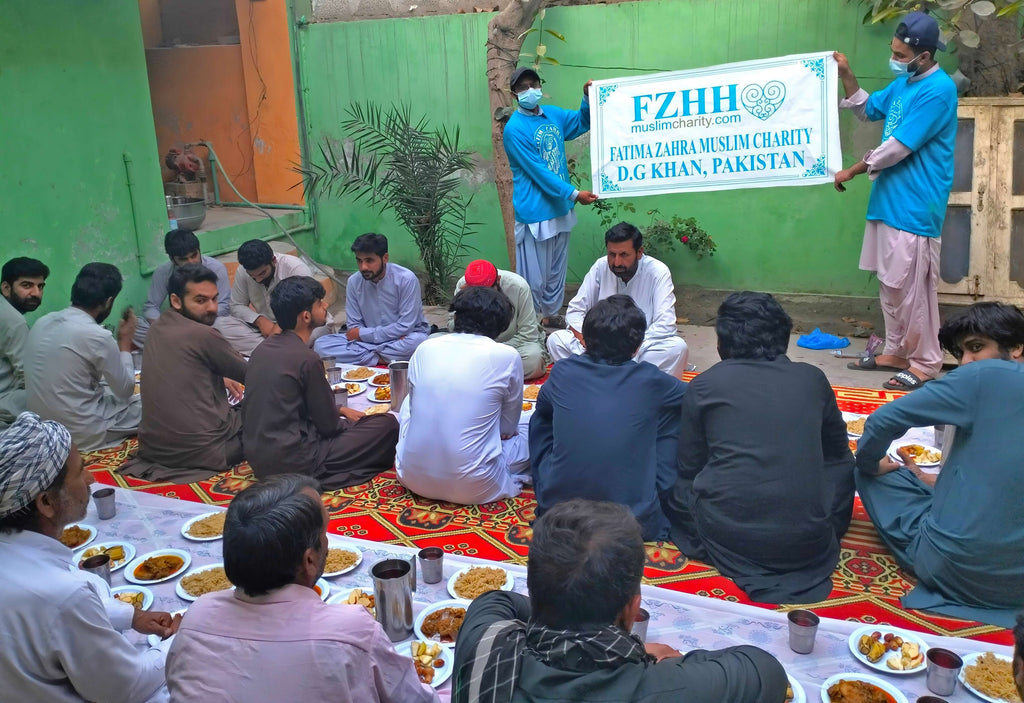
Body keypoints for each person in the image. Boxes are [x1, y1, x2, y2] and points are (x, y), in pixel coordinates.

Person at [452, 499, 787, 703]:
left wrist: (556, 609)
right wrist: (666, 660)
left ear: (534, 587)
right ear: (632, 607)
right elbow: (765, 670)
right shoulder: (664, 687)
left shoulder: (484, 642)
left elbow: (496, 600)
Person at [166, 474, 438, 702]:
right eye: (324, 533)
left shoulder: (196, 617)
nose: (328, 543)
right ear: (309, 560)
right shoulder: (352, 630)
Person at [663, 293, 855, 604]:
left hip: (730, 535)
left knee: (673, 485)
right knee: (844, 468)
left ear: (722, 343)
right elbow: (838, 455)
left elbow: (688, 466)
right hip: (807, 539)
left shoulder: (704, 385)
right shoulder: (813, 379)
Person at [855, 301, 1024, 627]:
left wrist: (869, 464)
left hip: (955, 570)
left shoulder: (982, 377)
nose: (966, 362)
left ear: (1017, 346)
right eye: (961, 353)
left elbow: (881, 422)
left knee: (871, 474)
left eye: (977, 348)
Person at [0, 412, 180, 702]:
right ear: (46, 502)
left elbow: (50, 618)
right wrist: (176, 641)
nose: (91, 478)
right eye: (81, 470)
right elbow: (126, 688)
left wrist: (131, 616)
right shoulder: (64, 593)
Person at [835, 11, 958, 392]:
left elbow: (898, 148)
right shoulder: (904, 83)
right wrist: (846, 73)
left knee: (912, 289)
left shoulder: (939, 90)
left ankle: (925, 362)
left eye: (901, 55)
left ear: (924, 55)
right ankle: (897, 351)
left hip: (916, 204)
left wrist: (852, 170)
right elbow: (866, 108)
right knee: (890, 285)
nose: (894, 59)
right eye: (894, 51)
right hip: (888, 200)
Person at [530, 296, 686, 541]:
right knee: (673, 415)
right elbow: (694, 398)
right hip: (633, 519)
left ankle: (555, 484)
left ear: (584, 339)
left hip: (558, 510)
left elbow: (543, 410)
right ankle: (657, 492)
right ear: (637, 346)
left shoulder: (562, 371)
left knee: (541, 419)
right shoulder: (652, 380)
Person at [243, 276, 400, 489]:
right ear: (306, 316)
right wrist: (351, 423)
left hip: (258, 459)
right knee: (387, 425)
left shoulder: (260, 351)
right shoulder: (306, 358)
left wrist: (340, 409)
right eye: (319, 303)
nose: (325, 306)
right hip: (295, 460)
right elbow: (329, 426)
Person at [396, 286, 529, 504]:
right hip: (477, 486)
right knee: (532, 425)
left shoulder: (425, 347)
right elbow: (507, 429)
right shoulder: (507, 355)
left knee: (407, 403)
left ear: (456, 317)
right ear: (501, 325)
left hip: (410, 476)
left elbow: (413, 410)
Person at [120, 264, 248, 483]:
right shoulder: (204, 334)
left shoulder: (156, 328)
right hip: (207, 452)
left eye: (214, 299)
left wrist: (221, 375)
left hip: (154, 450)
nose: (212, 308)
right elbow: (255, 375)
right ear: (176, 301)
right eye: (201, 300)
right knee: (269, 406)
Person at [504, 66, 598, 327]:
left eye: (533, 84)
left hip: (560, 207)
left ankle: (550, 315)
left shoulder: (553, 115)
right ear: (514, 94)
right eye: (523, 87)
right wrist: (574, 194)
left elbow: (581, 122)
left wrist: (587, 97)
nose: (530, 90)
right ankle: (529, 323)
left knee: (556, 271)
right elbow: (538, 172)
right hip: (535, 212)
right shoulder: (514, 129)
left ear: (540, 87)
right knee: (533, 278)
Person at [24, 263, 140, 452]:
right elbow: (126, 390)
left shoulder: (42, 321)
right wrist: (124, 343)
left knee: (104, 386)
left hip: (44, 429)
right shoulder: (98, 335)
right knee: (151, 403)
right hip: (82, 433)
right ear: (108, 302)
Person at [547, 222, 688, 375]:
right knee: (556, 340)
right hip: (600, 348)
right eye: (612, 255)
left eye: (624, 255)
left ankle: (598, 377)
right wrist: (588, 340)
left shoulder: (658, 271)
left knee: (677, 348)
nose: (617, 262)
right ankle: (624, 378)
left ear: (639, 253)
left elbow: (665, 324)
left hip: (638, 349)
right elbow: (575, 311)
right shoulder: (601, 266)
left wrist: (629, 347)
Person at [314, 233, 429, 365]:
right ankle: (382, 358)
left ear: (385, 258)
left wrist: (362, 335)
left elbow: (405, 326)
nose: (363, 267)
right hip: (373, 342)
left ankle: (367, 357)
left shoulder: (406, 279)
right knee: (321, 345)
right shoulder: (354, 282)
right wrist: (366, 336)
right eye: (359, 261)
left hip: (401, 338)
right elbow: (353, 326)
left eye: (369, 261)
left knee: (418, 342)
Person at [220, 239, 321, 356]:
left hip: (297, 326)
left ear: (273, 260)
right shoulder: (243, 271)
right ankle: (282, 352)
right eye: (252, 276)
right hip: (265, 330)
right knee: (221, 325)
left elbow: (305, 306)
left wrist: (277, 329)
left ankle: (269, 352)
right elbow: (236, 305)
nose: (258, 280)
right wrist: (259, 320)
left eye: (262, 273)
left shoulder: (294, 268)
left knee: (318, 334)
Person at [134, 229, 233, 348]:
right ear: (172, 259)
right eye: (183, 259)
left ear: (199, 251)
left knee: (223, 325)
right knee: (134, 325)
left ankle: (173, 347)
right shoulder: (163, 272)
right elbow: (151, 306)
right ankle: (183, 346)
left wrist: (195, 322)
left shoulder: (216, 268)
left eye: (194, 255)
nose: (191, 262)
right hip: (175, 326)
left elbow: (224, 306)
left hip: (206, 322)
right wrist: (163, 326)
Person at [449, 259, 546, 379]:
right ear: (467, 286)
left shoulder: (519, 286)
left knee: (533, 360)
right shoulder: (463, 285)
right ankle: (497, 375)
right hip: (472, 346)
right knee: (433, 342)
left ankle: (474, 373)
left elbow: (528, 334)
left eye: (487, 292)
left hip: (510, 345)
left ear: (498, 280)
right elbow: (453, 327)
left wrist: (494, 351)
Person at [0, 257, 49, 428]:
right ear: (6, 288)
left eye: (40, 286)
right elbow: (27, 376)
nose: (36, 293)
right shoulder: (14, 322)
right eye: (27, 285)